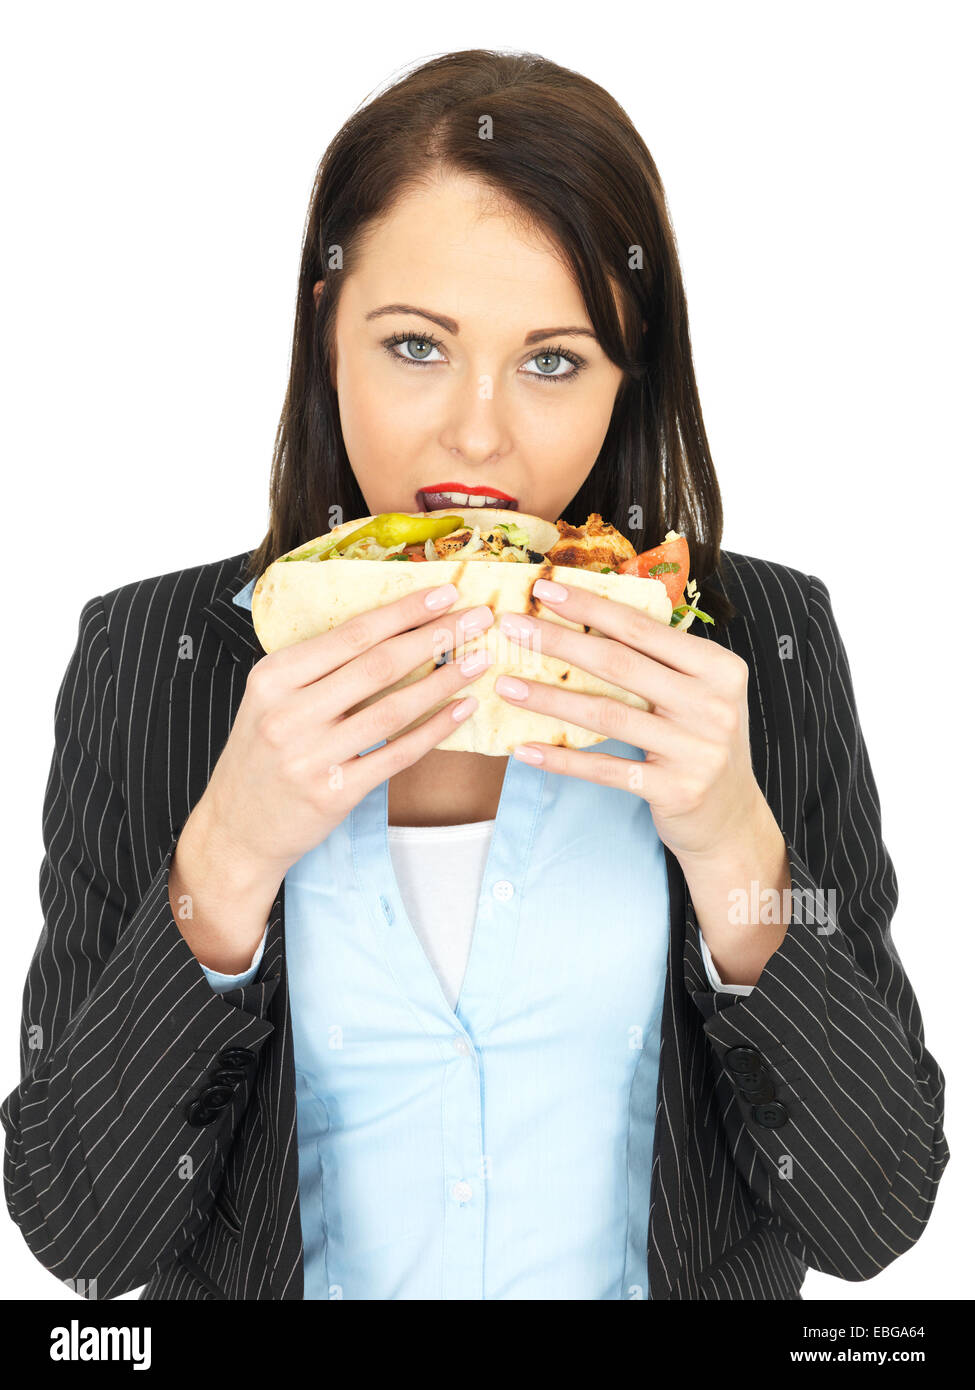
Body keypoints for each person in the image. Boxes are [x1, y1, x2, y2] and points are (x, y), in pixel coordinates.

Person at [1, 49, 948, 1301]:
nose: (480, 433)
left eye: (554, 360)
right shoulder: (151, 660)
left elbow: (873, 1212)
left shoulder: (758, 646)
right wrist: (224, 860)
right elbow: (79, 1234)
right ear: (325, 336)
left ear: (628, 380)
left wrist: (737, 855)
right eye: (415, 345)